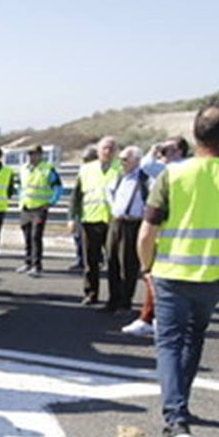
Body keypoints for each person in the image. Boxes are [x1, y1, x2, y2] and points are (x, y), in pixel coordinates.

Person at [137, 103, 219, 437]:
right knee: (194, 339)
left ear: (194, 134)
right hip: (215, 274)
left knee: (169, 343)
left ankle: (175, 418)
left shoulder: (173, 175)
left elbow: (147, 233)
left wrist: (146, 269)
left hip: (172, 274)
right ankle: (181, 404)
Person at [123, 136, 189, 337]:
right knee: (155, 278)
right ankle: (150, 316)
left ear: (179, 151)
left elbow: (146, 164)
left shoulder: (177, 168)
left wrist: (155, 149)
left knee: (160, 277)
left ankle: (158, 318)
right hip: (164, 229)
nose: (164, 151)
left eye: (170, 148)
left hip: (170, 230)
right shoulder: (168, 168)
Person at [72, 136, 120, 305]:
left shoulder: (121, 168)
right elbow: (76, 195)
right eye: (104, 148)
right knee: (90, 261)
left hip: (113, 221)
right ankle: (91, 293)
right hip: (90, 220)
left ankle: (115, 297)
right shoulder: (86, 169)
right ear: (98, 151)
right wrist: (73, 217)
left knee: (114, 261)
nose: (108, 151)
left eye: (111, 148)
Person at [104, 145, 149, 313]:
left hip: (132, 224)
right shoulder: (119, 177)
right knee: (112, 261)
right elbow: (108, 191)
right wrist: (115, 208)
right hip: (116, 222)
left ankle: (125, 302)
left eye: (125, 159)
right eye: (120, 159)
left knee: (128, 265)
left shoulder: (144, 180)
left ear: (136, 161)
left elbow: (151, 201)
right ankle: (112, 300)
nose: (121, 162)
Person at [18, 145, 61, 276]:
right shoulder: (24, 169)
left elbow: (58, 187)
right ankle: (28, 262)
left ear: (40, 155)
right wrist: (21, 201)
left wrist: (51, 202)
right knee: (27, 235)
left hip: (40, 207)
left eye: (34, 154)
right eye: (29, 154)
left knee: (36, 236)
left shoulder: (47, 169)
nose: (31, 157)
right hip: (26, 206)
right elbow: (21, 187)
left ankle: (37, 265)